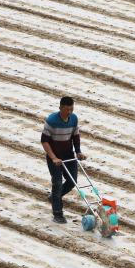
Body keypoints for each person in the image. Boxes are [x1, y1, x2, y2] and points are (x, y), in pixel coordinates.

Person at [41, 96, 86, 224]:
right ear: (60, 108)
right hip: (54, 157)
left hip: (68, 155)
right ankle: (58, 214)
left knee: (72, 182)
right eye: (67, 110)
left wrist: (78, 152)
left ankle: (55, 197)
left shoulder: (74, 118)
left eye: (72, 109)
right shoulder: (51, 121)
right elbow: (44, 141)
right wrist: (54, 157)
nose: (69, 112)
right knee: (57, 183)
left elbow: (75, 136)